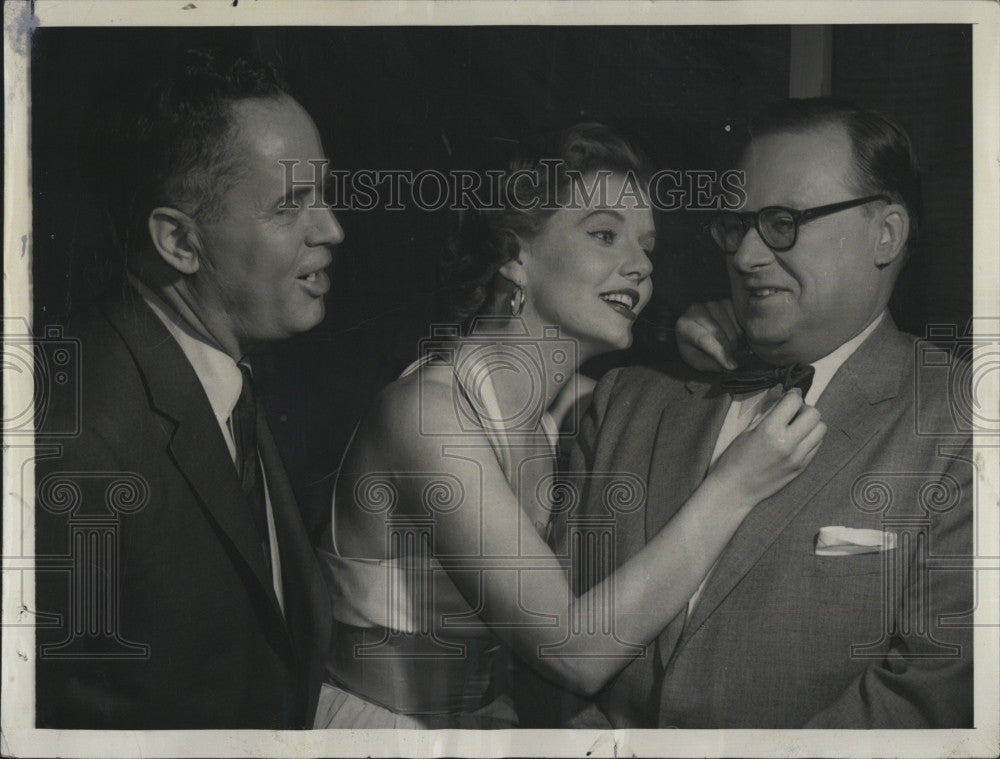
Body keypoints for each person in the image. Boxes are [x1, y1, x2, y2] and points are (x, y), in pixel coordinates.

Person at [312, 123, 827, 728]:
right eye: (604, 235)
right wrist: (733, 486)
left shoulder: (572, 409)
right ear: (515, 255)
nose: (638, 266)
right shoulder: (427, 414)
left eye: (647, 248)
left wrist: (695, 333)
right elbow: (575, 652)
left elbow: (655, 396)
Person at [558, 98, 974, 728]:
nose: (747, 257)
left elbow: (933, 692)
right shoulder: (626, 402)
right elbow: (546, 655)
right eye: (738, 225)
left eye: (782, 223)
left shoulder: (963, 422)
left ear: (886, 234)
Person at [34, 49, 340, 728]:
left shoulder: (219, 375)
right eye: (292, 205)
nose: (332, 230)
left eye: (323, 194)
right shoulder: (73, 437)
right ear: (177, 240)